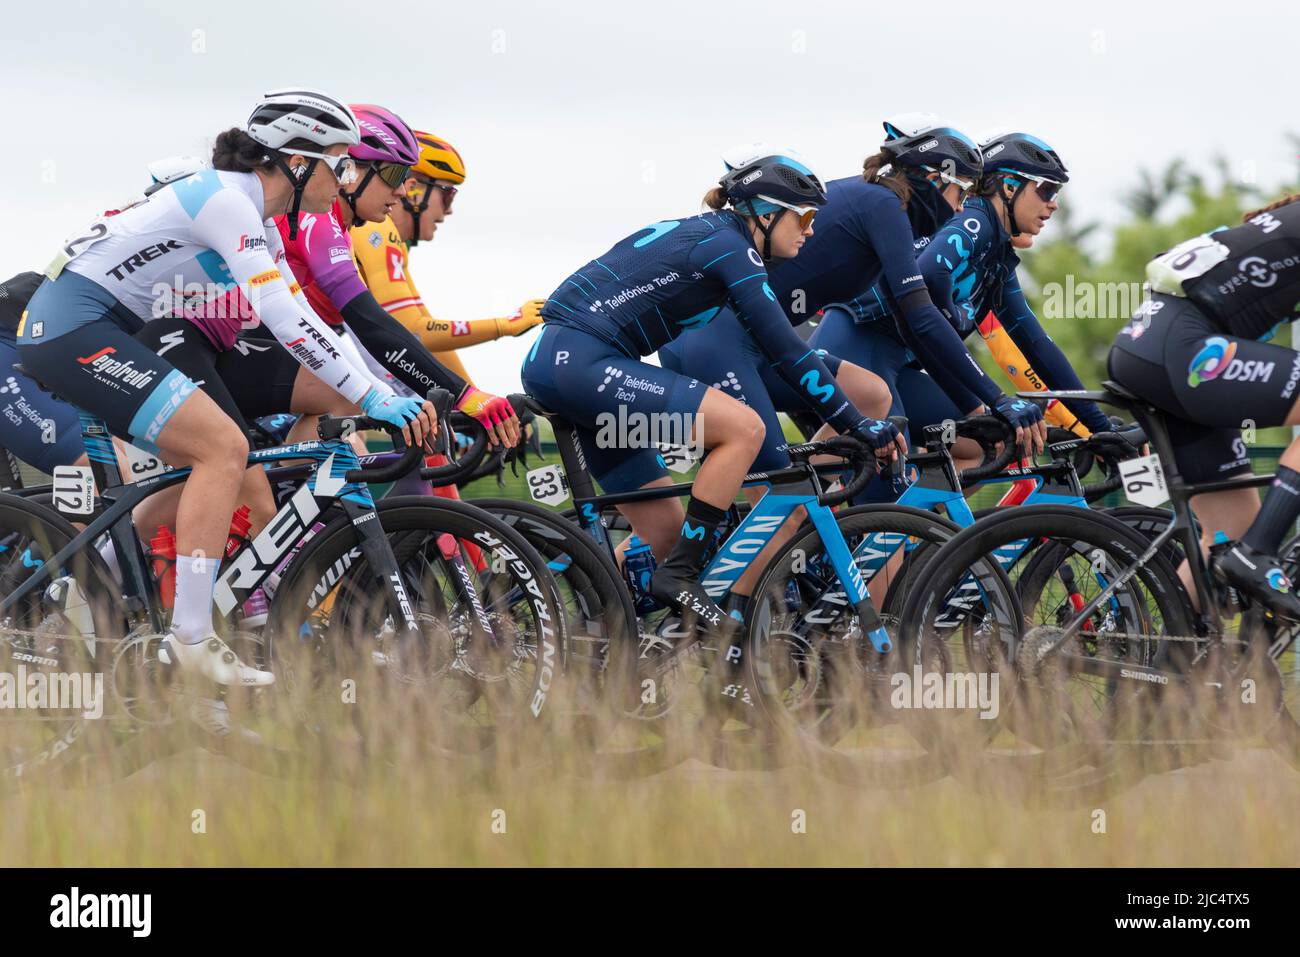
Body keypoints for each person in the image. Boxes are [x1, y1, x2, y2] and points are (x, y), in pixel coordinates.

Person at [17, 89, 433, 686]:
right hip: (71, 327)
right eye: (338, 163)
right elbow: (287, 323)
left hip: (93, 326)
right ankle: (191, 638)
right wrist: (375, 400)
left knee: (201, 466)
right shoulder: (225, 200)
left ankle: (79, 585)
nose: (343, 179)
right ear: (296, 160)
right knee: (224, 449)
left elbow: (301, 316)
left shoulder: (257, 217)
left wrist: (378, 388)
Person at [521, 147, 900, 630]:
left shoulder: (715, 238)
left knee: (667, 537)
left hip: (569, 367)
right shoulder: (730, 246)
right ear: (764, 214)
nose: (811, 230)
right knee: (744, 429)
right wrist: (857, 424)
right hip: (580, 364)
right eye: (803, 217)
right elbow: (787, 350)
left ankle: (609, 645)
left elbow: (774, 354)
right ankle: (680, 574)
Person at [811, 129, 1110, 464]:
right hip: (857, 348)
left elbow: (1038, 345)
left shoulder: (996, 258)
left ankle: (924, 517)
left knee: (984, 447)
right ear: (1009, 186)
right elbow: (928, 272)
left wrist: (1097, 428)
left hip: (897, 365)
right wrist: (950, 317)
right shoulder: (974, 219)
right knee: (891, 494)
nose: (1053, 204)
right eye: (1047, 189)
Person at [1109, 193, 1300, 617]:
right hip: (1182, 349)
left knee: (1227, 532)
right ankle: (1257, 554)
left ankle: (1165, 669)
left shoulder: (1281, 226)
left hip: (1154, 347)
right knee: (1246, 547)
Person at [351, 130, 543, 386]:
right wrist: (504, 325)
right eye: (447, 194)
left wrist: (473, 395)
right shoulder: (376, 229)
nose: (450, 209)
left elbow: (428, 333)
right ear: (415, 191)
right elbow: (417, 332)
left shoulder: (392, 241)